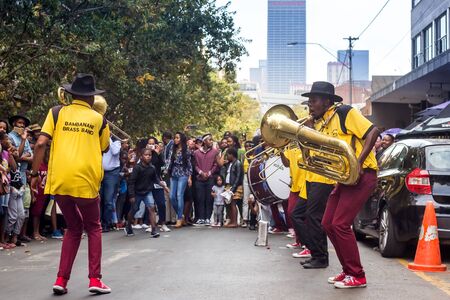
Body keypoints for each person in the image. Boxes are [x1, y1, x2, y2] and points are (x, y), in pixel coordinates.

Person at [31, 74, 111, 295]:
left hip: (60, 181)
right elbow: (104, 148)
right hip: (86, 181)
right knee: (93, 227)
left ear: (71, 94)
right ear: (91, 97)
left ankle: (61, 280)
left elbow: (40, 143)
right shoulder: (100, 120)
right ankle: (95, 279)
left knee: (73, 228)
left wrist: (34, 173)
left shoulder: (56, 112)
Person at [303, 81, 379, 288]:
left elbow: (373, 132)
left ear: (327, 101)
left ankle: (357, 274)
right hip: (344, 178)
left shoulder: (346, 113)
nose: (310, 105)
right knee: (327, 223)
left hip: (363, 175)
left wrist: (359, 163)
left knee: (340, 224)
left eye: (314, 100)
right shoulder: (321, 123)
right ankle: (347, 271)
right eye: (308, 101)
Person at [125, 148, 168, 237]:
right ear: (141, 156)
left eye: (150, 155)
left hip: (147, 192)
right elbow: (131, 182)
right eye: (146, 155)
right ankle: (128, 225)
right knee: (134, 209)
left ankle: (153, 230)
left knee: (152, 208)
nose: (148, 157)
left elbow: (156, 179)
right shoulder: (137, 168)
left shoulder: (152, 168)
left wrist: (163, 186)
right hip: (137, 193)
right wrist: (132, 195)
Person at [193, 133, 220, 226]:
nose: (211, 142)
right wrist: (201, 172)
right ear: (204, 141)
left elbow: (216, 164)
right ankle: (201, 217)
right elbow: (195, 165)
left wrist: (209, 173)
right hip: (199, 179)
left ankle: (208, 217)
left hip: (210, 178)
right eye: (210, 140)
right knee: (200, 198)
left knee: (209, 198)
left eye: (212, 140)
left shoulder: (215, 152)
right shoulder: (196, 152)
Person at [167, 132, 192, 228]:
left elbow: (189, 165)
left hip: (183, 174)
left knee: (179, 195)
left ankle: (178, 219)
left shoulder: (187, 150)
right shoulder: (172, 149)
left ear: (181, 139)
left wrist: (189, 177)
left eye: (177, 138)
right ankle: (181, 215)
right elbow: (169, 162)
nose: (175, 139)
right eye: (175, 137)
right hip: (174, 174)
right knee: (172, 196)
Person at [147, 137, 170, 232]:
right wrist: (151, 152)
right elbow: (150, 164)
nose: (151, 145)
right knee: (150, 205)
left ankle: (162, 223)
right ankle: (150, 224)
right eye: (149, 143)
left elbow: (161, 165)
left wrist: (157, 152)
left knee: (161, 203)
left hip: (158, 181)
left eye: (153, 143)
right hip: (147, 182)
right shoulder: (146, 154)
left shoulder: (158, 154)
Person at [100, 137, 121, 232]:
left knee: (108, 200)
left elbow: (115, 152)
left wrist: (108, 138)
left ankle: (106, 223)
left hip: (112, 173)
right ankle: (98, 222)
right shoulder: (99, 138)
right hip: (99, 172)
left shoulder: (116, 141)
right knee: (98, 199)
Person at [221, 148, 243, 228]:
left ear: (231, 155)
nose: (227, 157)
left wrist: (233, 189)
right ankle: (231, 220)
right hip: (228, 186)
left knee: (233, 203)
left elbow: (238, 177)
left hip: (235, 186)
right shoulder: (230, 163)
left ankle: (235, 222)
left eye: (228, 155)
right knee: (229, 204)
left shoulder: (238, 163)